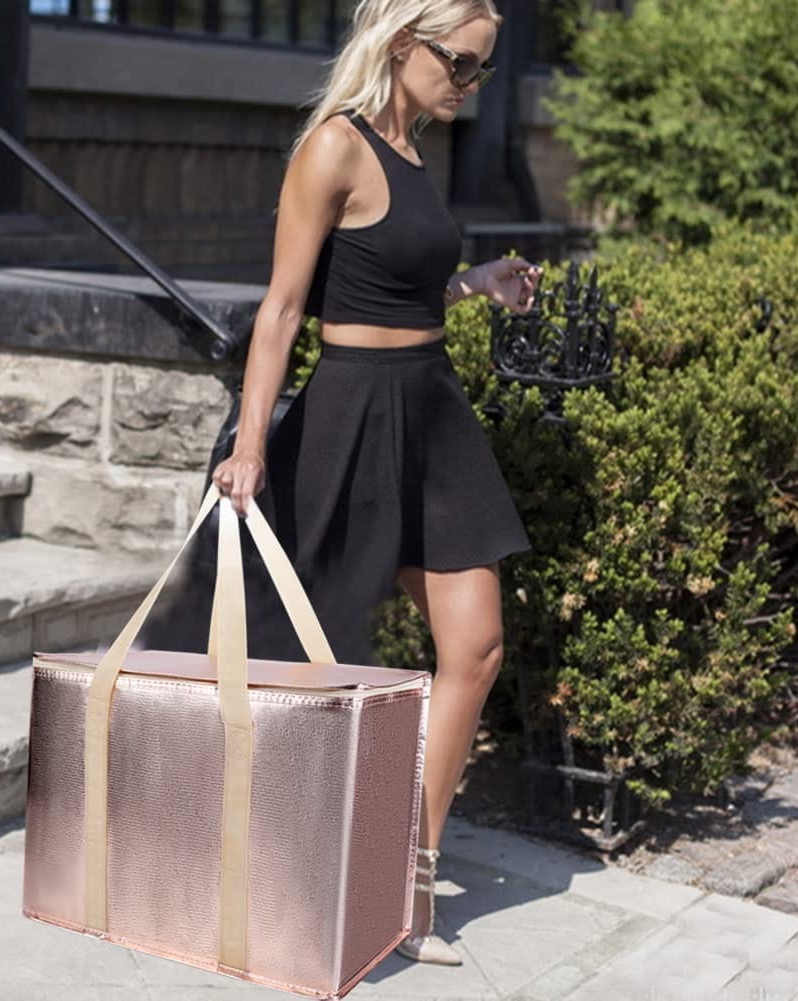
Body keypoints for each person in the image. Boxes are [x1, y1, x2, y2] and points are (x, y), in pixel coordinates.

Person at [173, 0, 541, 969]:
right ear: (402, 41)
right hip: (352, 412)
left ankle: (401, 881)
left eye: (481, 70)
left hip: (431, 411)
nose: (469, 85)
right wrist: (252, 443)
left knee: (475, 646)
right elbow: (284, 307)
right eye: (459, 63)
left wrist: (475, 282)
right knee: (310, 659)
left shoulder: (415, 151)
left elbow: (395, 279)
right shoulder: (332, 147)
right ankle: (259, 864)